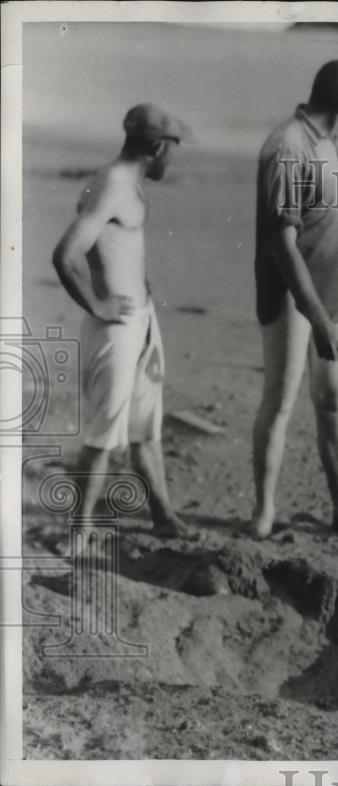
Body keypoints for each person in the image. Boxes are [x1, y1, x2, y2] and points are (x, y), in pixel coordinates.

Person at [52, 103, 198, 539]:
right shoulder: (114, 183)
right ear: (155, 146)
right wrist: (98, 305)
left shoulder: (125, 182)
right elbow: (66, 254)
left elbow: (115, 248)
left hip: (140, 323)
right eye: (173, 148)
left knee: (145, 428)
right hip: (115, 329)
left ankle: (163, 516)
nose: (175, 158)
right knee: (102, 437)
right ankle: (78, 533)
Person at [249, 60, 338, 540]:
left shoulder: (331, 142)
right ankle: (263, 512)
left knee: (333, 398)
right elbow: (282, 243)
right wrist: (316, 317)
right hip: (291, 290)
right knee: (280, 399)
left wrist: (331, 308)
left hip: (335, 287)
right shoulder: (287, 147)